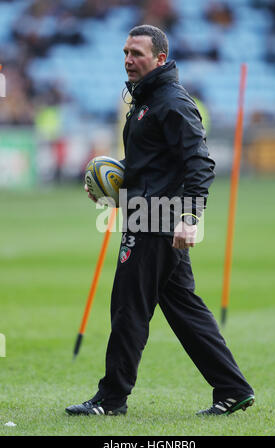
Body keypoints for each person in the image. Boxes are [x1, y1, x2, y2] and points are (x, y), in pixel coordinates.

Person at [66, 24, 254, 417]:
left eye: (137, 53)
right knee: (185, 309)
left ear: (160, 59)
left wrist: (189, 217)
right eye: (125, 52)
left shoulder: (172, 102)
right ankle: (233, 389)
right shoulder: (145, 101)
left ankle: (111, 399)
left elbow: (200, 163)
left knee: (128, 309)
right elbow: (152, 169)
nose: (128, 60)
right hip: (146, 214)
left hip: (156, 221)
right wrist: (115, 191)